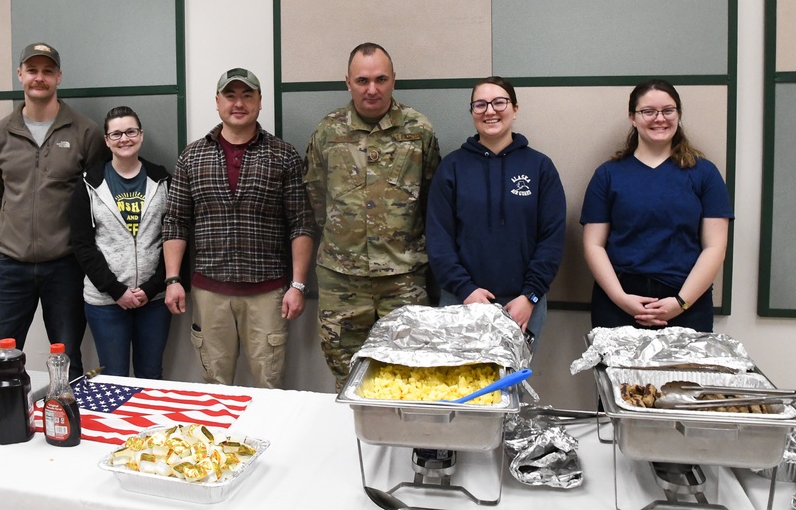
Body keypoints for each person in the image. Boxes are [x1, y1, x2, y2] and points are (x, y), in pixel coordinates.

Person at [162, 68, 314, 389]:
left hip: (268, 294)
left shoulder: (283, 156)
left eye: (247, 95)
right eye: (230, 95)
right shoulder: (192, 156)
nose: (238, 103)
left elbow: (301, 223)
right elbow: (176, 221)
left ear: (260, 102)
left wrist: (298, 285)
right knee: (215, 385)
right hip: (209, 294)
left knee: (269, 385)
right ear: (217, 102)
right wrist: (173, 279)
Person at [304, 42, 441, 390]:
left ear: (394, 80)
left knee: (411, 375)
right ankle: (355, 445)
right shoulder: (327, 132)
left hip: (404, 278)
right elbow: (317, 199)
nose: (372, 89)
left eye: (381, 79)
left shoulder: (418, 130)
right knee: (347, 378)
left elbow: (431, 199)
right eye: (362, 80)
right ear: (347, 82)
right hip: (341, 281)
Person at [0, 42, 107, 379]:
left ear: (59, 77)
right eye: (32, 70)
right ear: (20, 74)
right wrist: (20, 229)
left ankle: (68, 428)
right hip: (11, 267)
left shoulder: (86, 132)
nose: (40, 77)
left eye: (47, 71)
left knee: (67, 360)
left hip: (65, 267)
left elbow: (96, 201)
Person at [581, 79, 733, 332]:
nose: (659, 118)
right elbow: (593, 244)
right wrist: (621, 299)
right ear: (632, 117)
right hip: (619, 303)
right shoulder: (608, 175)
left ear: (679, 114)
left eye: (667, 110)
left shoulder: (705, 174)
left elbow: (715, 246)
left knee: (681, 374)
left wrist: (681, 302)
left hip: (686, 304)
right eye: (648, 111)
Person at [425, 76, 566, 349]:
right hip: (461, 300)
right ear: (472, 112)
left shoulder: (540, 167)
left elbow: (552, 239)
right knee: (459, 388)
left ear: (515, 108)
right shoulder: (452, 169)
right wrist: (465, 290)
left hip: (523, 306)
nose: (490, 111)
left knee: (510, 389)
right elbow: (438, 238)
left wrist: (531, 296)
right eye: (480, 105)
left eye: (499, 102)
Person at [70, 106, 173, 379]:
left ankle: (151, 424)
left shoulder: (161, 180)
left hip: (153, 300)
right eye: (116, 134)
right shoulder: (89, 184)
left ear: (141, 135)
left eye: (130, 131)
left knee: (151, 375)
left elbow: (173, 239)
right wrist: (116, 291)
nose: (124, 138)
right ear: (106, 140)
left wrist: (151, 289)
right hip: (105, 301)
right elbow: (82, 245)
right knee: (113, 377)